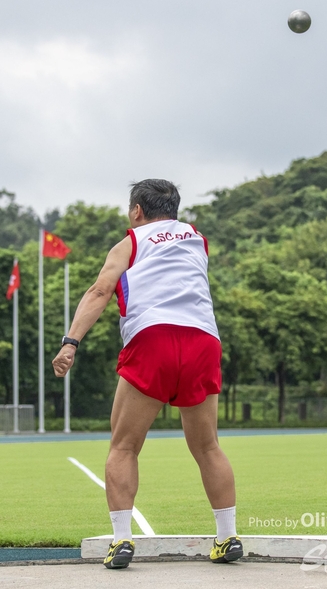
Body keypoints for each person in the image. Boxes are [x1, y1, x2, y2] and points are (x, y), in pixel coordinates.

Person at [52, 179, 243, 569]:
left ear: (137, 210)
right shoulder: (197, 239)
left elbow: (99, 291)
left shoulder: (130, 243)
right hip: (203, 340)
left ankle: (122, 540)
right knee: (208, 447)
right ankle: (227, 537)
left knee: (124, 446)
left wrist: (70, 342)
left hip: (153, 337)